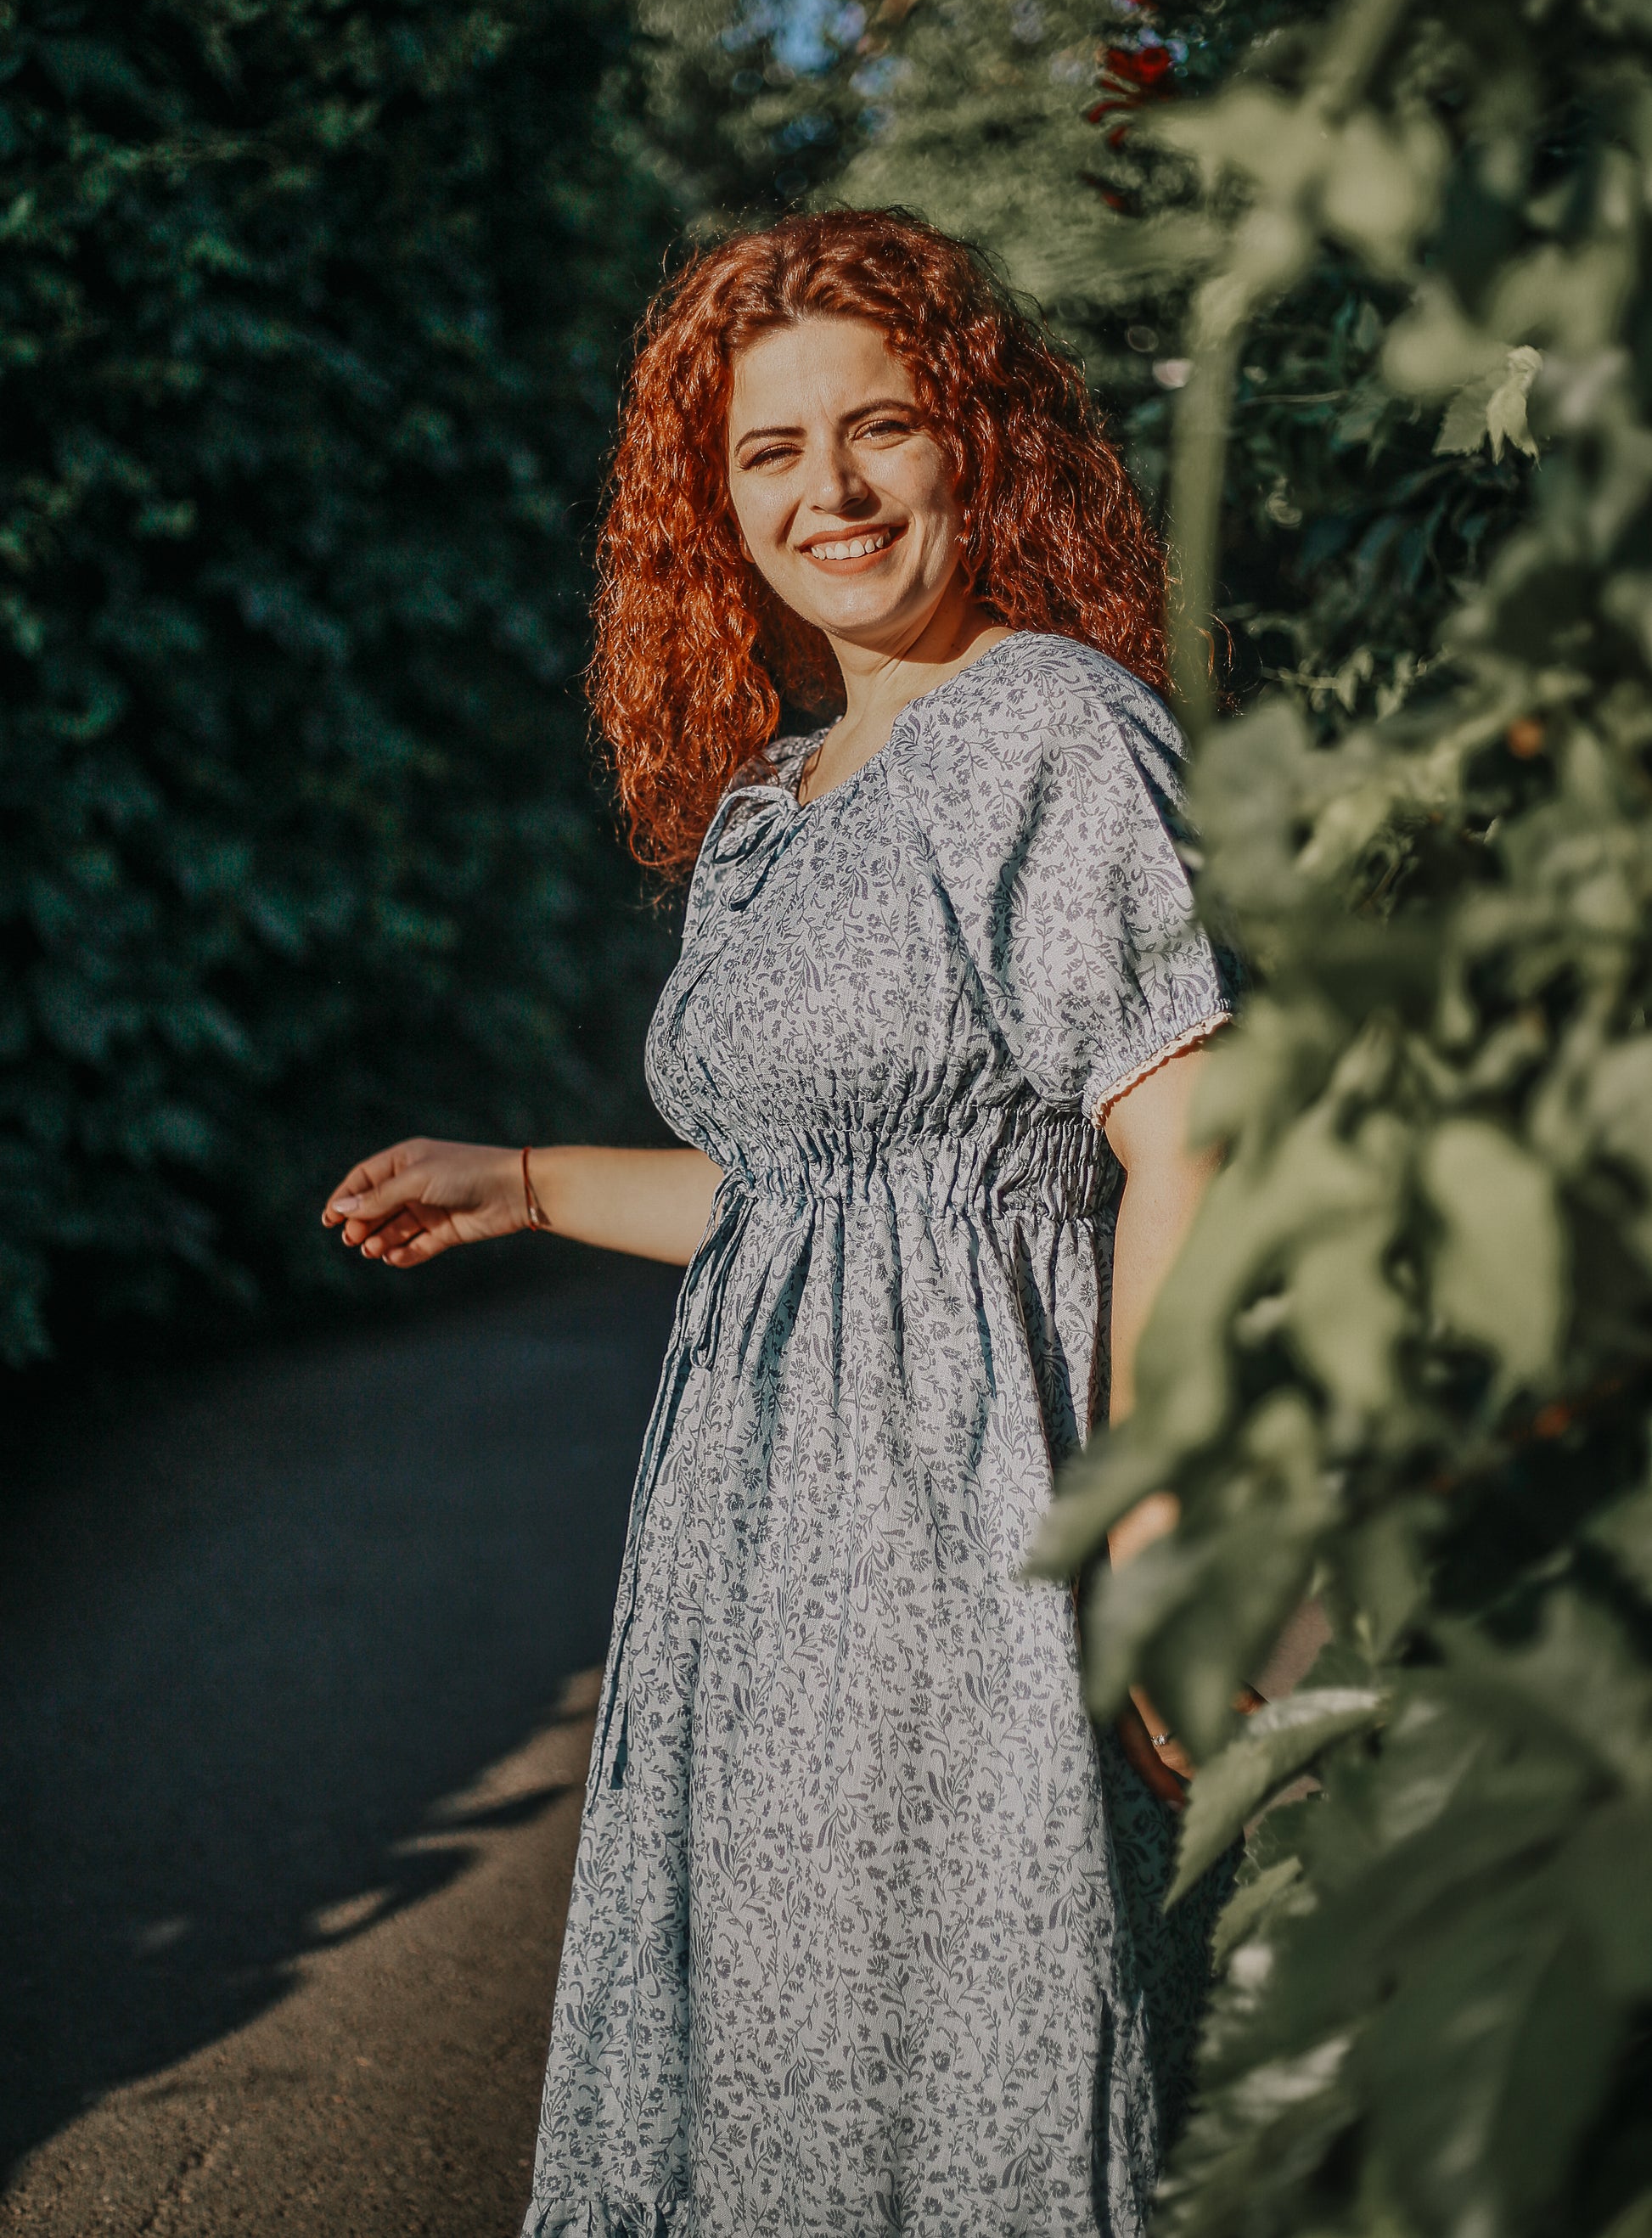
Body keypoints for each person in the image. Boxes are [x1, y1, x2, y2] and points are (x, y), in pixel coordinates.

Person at [323, 207, 1236, 2236]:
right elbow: (807, 1197)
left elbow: (1187, 1135)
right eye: (766, 452)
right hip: (752, 1561)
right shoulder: (773, 799)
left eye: (880, 427)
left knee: (974, 2061)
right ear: (706, 501)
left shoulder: (1051, 727)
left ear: (973, 443)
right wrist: (535, 1180)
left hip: (977, 1536)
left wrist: (1160, 1539)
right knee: (776, 2071)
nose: (827, 490)